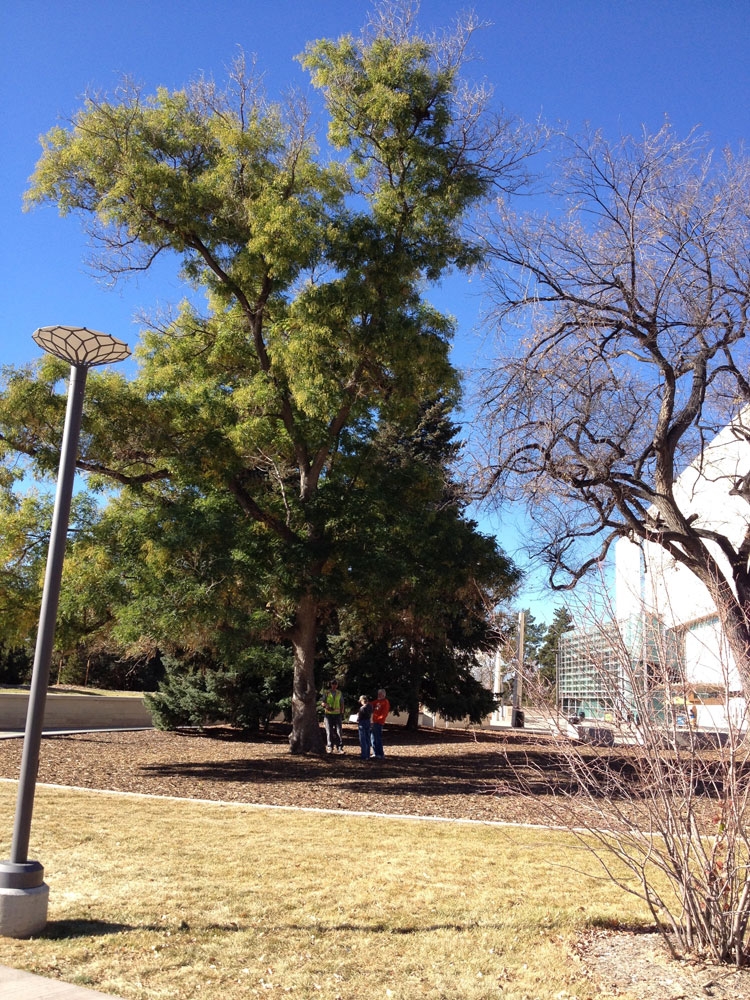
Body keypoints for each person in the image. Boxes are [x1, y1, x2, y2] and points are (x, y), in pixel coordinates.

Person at [321, 679, 345, 753]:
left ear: (337, 685)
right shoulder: (327, 692)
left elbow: (342, 703)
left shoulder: (339, 693)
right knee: (329, 731)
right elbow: (322, 702)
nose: (334, 686)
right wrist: (326, 706)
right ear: (331, 685)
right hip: (328, 714)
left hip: (337, 714)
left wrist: (341, 712)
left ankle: (339, 747)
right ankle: (330, 747)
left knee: (339, 731)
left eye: (335, 684)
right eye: (333, 684)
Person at [370, 688, 390, 760]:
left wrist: (377, 720)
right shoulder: (377, 701)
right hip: (374, 722)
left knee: (377, 738)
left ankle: (380, 754)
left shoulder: (385, 702)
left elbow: (384, 714)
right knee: (372, 738)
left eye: (380, 694)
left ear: (383, 695)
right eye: (378, 694)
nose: (378, 695)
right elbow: (371, 704)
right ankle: (375, 753)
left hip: (379, 723)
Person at [357, 695, 373, 761]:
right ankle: (368, 755)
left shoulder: (362, 708)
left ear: (362, 700)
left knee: (362, 739)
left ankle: (364, 755)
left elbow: (359, 718)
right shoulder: (370, 706)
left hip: (362, 723)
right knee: (367, 738)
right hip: (368, 722)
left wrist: (357, 717)